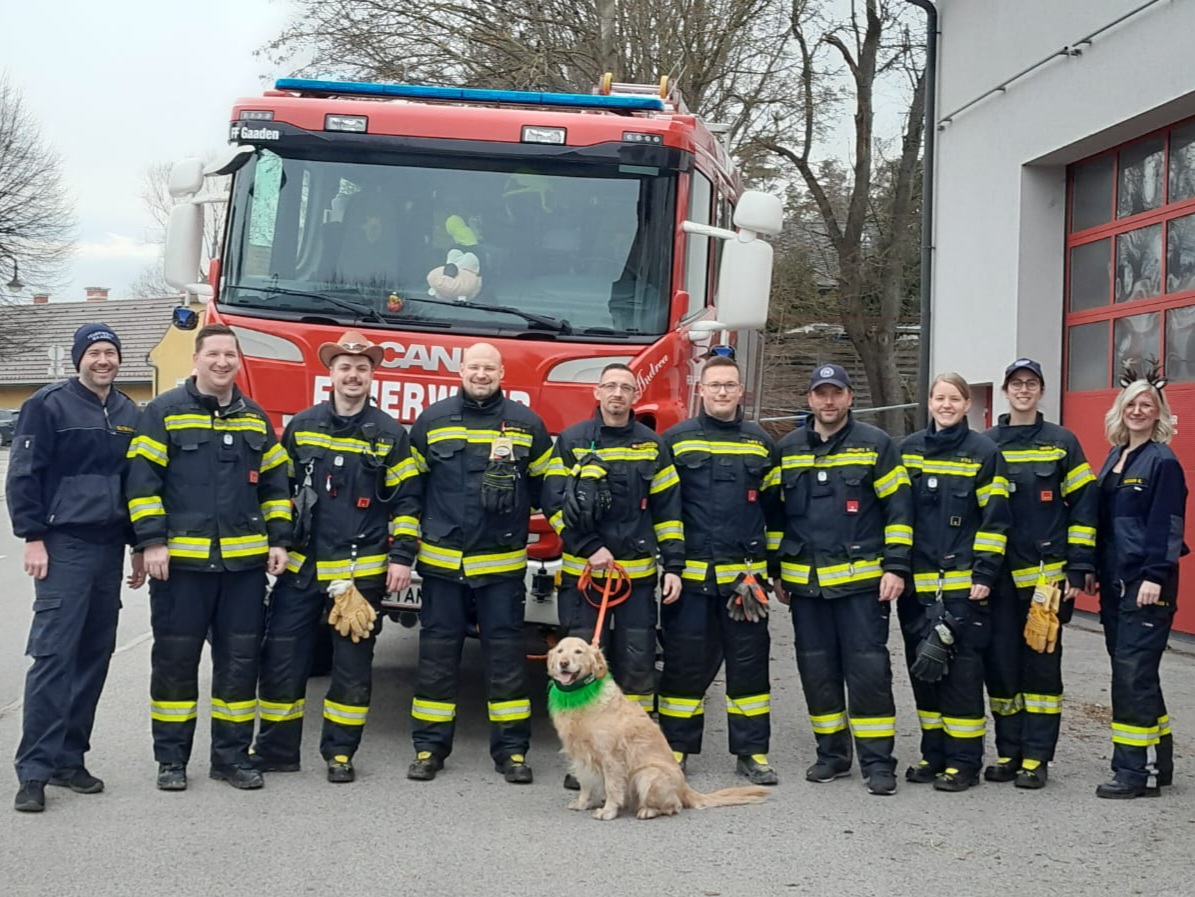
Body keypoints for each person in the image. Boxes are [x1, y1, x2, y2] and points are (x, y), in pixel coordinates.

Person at [126, 324, 291, 792]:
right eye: (213, 354)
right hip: (181, 570)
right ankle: (171, 760)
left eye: (230, 355)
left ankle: (231, 758)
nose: (222, 362)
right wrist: (151, 542)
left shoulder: (255, 419)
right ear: (196, 359)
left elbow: (276, 487)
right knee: (175, 665)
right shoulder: (163, 412)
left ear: (239, 361)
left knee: (239, 666)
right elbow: (142, 483)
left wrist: (279, 540)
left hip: (242, 572)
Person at [252, 332, 420, 783]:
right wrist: (278, 541)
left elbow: (408, 501)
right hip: (302, 570)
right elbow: (279, 490)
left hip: (358, 575)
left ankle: (340, 754)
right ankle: (275, 750)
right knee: (283, 660)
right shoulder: (302, 426)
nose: (353, 375)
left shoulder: (390, 434)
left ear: (372, 376)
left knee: (352, 670)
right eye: (345, 367)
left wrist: (402, 556)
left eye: (362, 368)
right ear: (331, 373)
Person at [7, 324, 145, 813]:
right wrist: (33, 537)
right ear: (78, 359)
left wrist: (138, 545)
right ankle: (34, 772)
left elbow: (136, 484)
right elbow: (24, 474)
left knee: (93, 657)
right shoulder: (47, 405)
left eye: (111, 352)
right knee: (53, 658)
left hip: (108, 549)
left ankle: (70, 760)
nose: (103, 360)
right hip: (63, 544)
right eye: (95, 353)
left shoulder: (128, 412)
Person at [405, 342, 552, 784]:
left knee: (506, 661)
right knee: (436, 658)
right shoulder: (432, 421)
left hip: (501, 567)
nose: (481, 374)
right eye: (474, 367)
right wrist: (404, 549)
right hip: (442, 566)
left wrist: (585, 541)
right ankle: (429, 748)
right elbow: (410, 490)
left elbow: (549, 489)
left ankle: (512, 752)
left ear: (502, 372)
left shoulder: (527, 425)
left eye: (489, 368)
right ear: (460, 370)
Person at [770, 364, 912, 796]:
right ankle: (831, 754)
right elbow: (774, 515)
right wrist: (776, 570)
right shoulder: (788, 448)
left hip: (861, 587)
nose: (828, 401)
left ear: (850, 397)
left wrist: (896, 566)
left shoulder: (876, 444)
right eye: (821, 393)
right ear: (810, 399)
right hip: (806, 587)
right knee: (817, 673)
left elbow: (899, 509)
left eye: (836, 393)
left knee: (869, 674)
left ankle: (878, 762)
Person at [543, 362, 684, 788]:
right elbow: (552, 504)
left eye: (626, 387)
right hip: (584, 579)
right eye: (610, 386)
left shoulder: (652, 446)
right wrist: (588, 547)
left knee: (638, 665)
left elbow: (668, 511)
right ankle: (586, 762)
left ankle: (634, 754)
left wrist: (674, 565)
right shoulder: (572, 441)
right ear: (598, 392)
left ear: (635, 396)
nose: (618, 393)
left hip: (636, 579)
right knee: (579, 669)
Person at [657, 355, 781, 786]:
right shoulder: (675, 441)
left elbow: (774, 512)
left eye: (730, 385)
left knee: (750, 668)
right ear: (702, 390)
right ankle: (675, 749)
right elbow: (664, 508)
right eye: (715, 385)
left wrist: (774, 572)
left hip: (745, 583)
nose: (723, 392)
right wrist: (671, 564)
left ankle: (752, 753)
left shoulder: (761, 443)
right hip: (691, 580)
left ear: (740, 391)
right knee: (683, 665)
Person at [981, 358, 1097, 789]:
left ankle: (1036, 758)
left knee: (1042, 670)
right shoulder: (986, 444)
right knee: (1001, 668)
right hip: (997, 579)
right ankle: (1009, 753)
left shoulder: (1062, 442)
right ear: (1006, 391)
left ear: (1041, 391)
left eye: (1031, 383)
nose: (1024, 390)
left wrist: (1078, 568)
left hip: (1045, 581)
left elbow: (1085, 505)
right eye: (1016, 384)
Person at [898, 372, 1011, 792]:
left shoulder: (984, 452)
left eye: (954, 399)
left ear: (967, 405)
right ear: (929, 403)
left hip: (964, 588)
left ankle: (964, 763)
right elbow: (895, 513)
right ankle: (934, 754)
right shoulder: (908, 451)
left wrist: (985, 574)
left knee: (961, 676)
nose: (946, 405)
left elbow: (995, 520)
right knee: (923, 671)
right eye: (939, 398)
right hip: (917, 588)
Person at [1093, 364, 1187, 799]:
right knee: (1136, 674)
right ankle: (1158, 763)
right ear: (1120, 409)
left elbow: (1167, 525)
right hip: (1116, 584)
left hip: (1145, 585)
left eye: (1146, 404)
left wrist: (1155, 576)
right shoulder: (1116, 457)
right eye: (1131, 403)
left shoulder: (1162, 461)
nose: (1138, 410)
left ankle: (1134, 772)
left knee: (1132, 677)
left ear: (1158, 413)